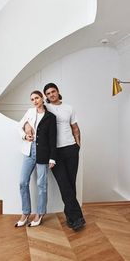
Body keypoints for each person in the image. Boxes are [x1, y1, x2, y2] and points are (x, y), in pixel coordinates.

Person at [43, 82, 86, 231]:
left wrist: (77, 146)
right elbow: (32, 119)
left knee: (71, 184)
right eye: (48, 94)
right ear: (46, 96)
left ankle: (71, 218)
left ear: (58, 91)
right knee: (64, 184)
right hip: (54, 152)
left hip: (71, 149)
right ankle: (77, 218)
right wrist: (26, 128)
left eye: (53, 92)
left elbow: (75, 128)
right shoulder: (45, 108)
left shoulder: (69, 108)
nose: (51, 95)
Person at [15, 90, 57, 227]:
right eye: (32, 99)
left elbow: (52, 139)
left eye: (37, 98)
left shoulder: (50, 117)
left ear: (42, 98)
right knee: (22, 182)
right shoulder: (29, 112)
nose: (35, 101)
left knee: (41, 185)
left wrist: (52, 158)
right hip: (29, 152)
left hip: (43, 154)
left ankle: (40, 213)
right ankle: (26, 212)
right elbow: (19, 126)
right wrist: (25, 136)